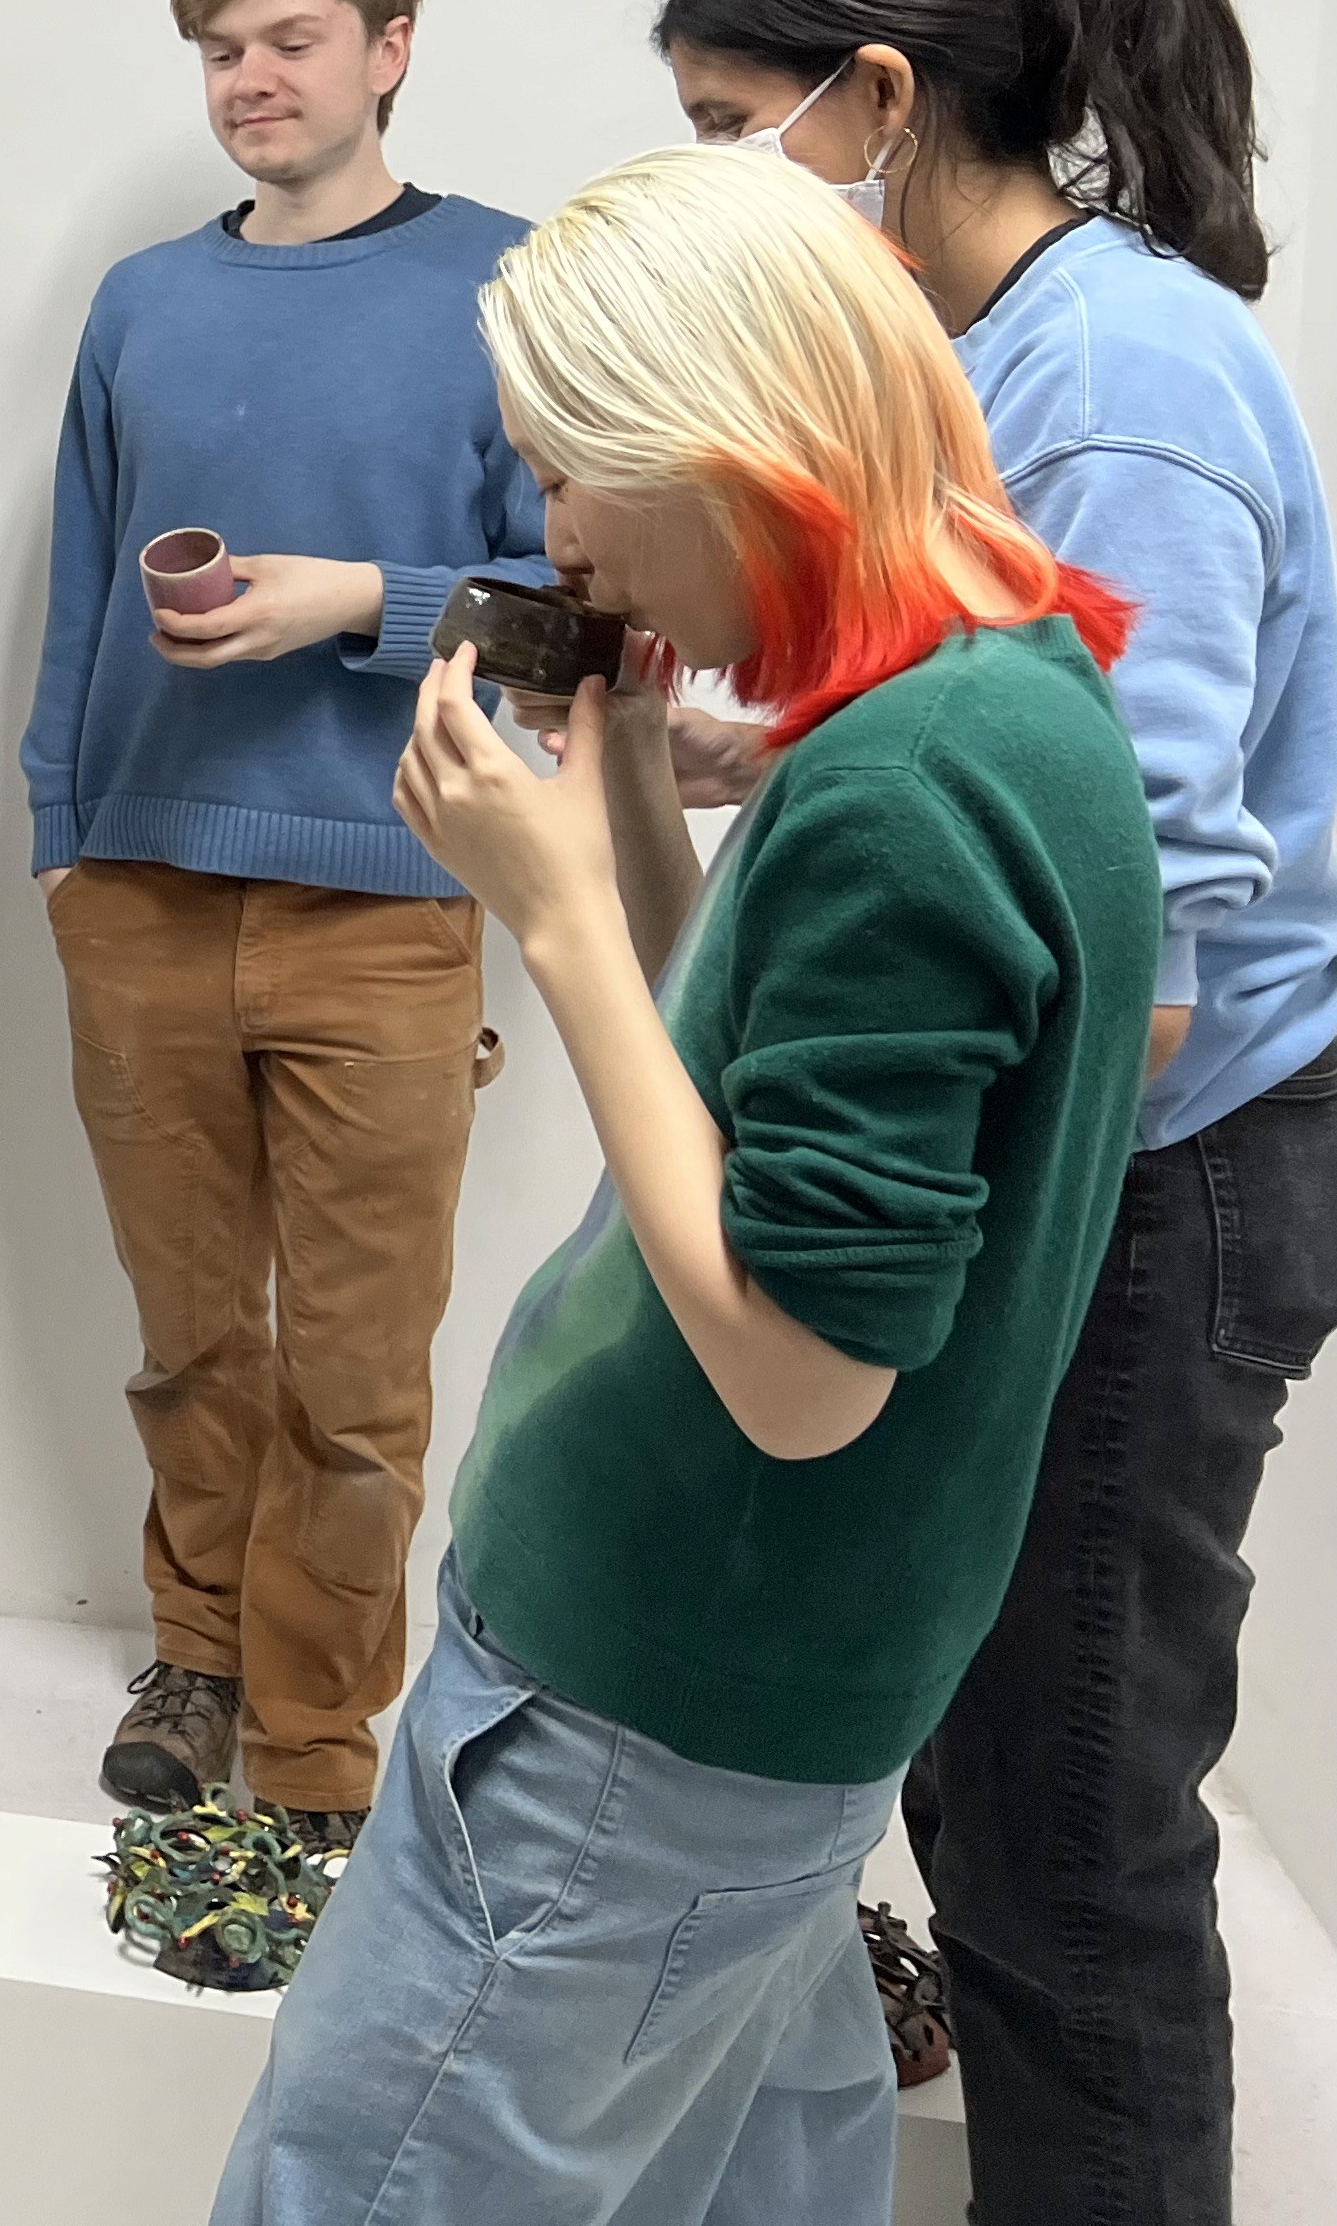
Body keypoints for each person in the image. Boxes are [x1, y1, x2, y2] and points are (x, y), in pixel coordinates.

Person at [214, 144, 1157, 2221]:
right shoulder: (998, 683)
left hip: (641, 1711)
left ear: (720, 444)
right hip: (767, 1697)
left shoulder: (910, 785)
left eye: (573, 472)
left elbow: (803, 1376)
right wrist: (630, 781)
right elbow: (733, 1064)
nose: (550, 531)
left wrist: (549, 916)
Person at [644, 0, 1334, 2219]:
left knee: (1068, 1827)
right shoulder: (982, 353)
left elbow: (1138, 914)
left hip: (1163, 1172)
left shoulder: (1118, 379)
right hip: (1102, 1152)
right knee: (989, 1765)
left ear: (877, 96)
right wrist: (770, 742)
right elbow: (1010, 719)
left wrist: (937, 1252)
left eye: (732, 128)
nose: (725, 184)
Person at [16, 0, 544, 1846]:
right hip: (138, 893)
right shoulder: (143, 301)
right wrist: (59, 838)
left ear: (389, 47)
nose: (249, 79)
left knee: (354, 1366)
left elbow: (582, 616)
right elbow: (80, 584)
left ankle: (318, 1739)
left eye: (289, 39)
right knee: (188, 1342)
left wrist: (358, 602)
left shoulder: (510, 285)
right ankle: (198, 1652)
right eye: (220, 50)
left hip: (389, 903)